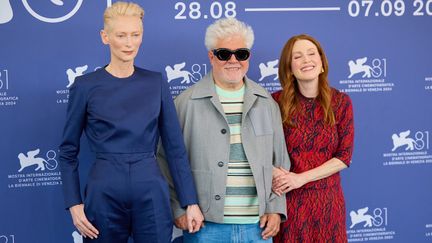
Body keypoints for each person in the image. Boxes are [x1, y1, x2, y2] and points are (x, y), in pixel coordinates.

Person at [58, 2, 203, 242]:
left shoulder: (155, 83)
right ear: (105, 37)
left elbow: (175, 149)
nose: (129, 43)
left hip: (151, 193)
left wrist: (190, 201)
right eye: (121, 35)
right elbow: (67, 151)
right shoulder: (85, 86)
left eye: (135, 35)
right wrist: (74, 203)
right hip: (103, 193)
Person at [158, 18, 290, 242]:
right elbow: (164, 160)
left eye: (241, 54)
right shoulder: (185, 103)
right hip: (204, 226)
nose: (233, 60)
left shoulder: (266, 102)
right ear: (211, 56)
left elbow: (280, 162)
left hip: (258, 227)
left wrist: (276, 208)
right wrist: (178, 209)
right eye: (223, 54)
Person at [271, 34, 354, 242]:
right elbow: (262, 149)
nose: (306, 60)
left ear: (322, 63)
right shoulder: (274, 102)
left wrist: (300, 178)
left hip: (328, 203)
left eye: (311, 53)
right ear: (289, 68)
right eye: (297, 56)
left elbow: (344, 156)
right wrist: (275, 173)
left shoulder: (341, 102)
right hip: (289, 203)